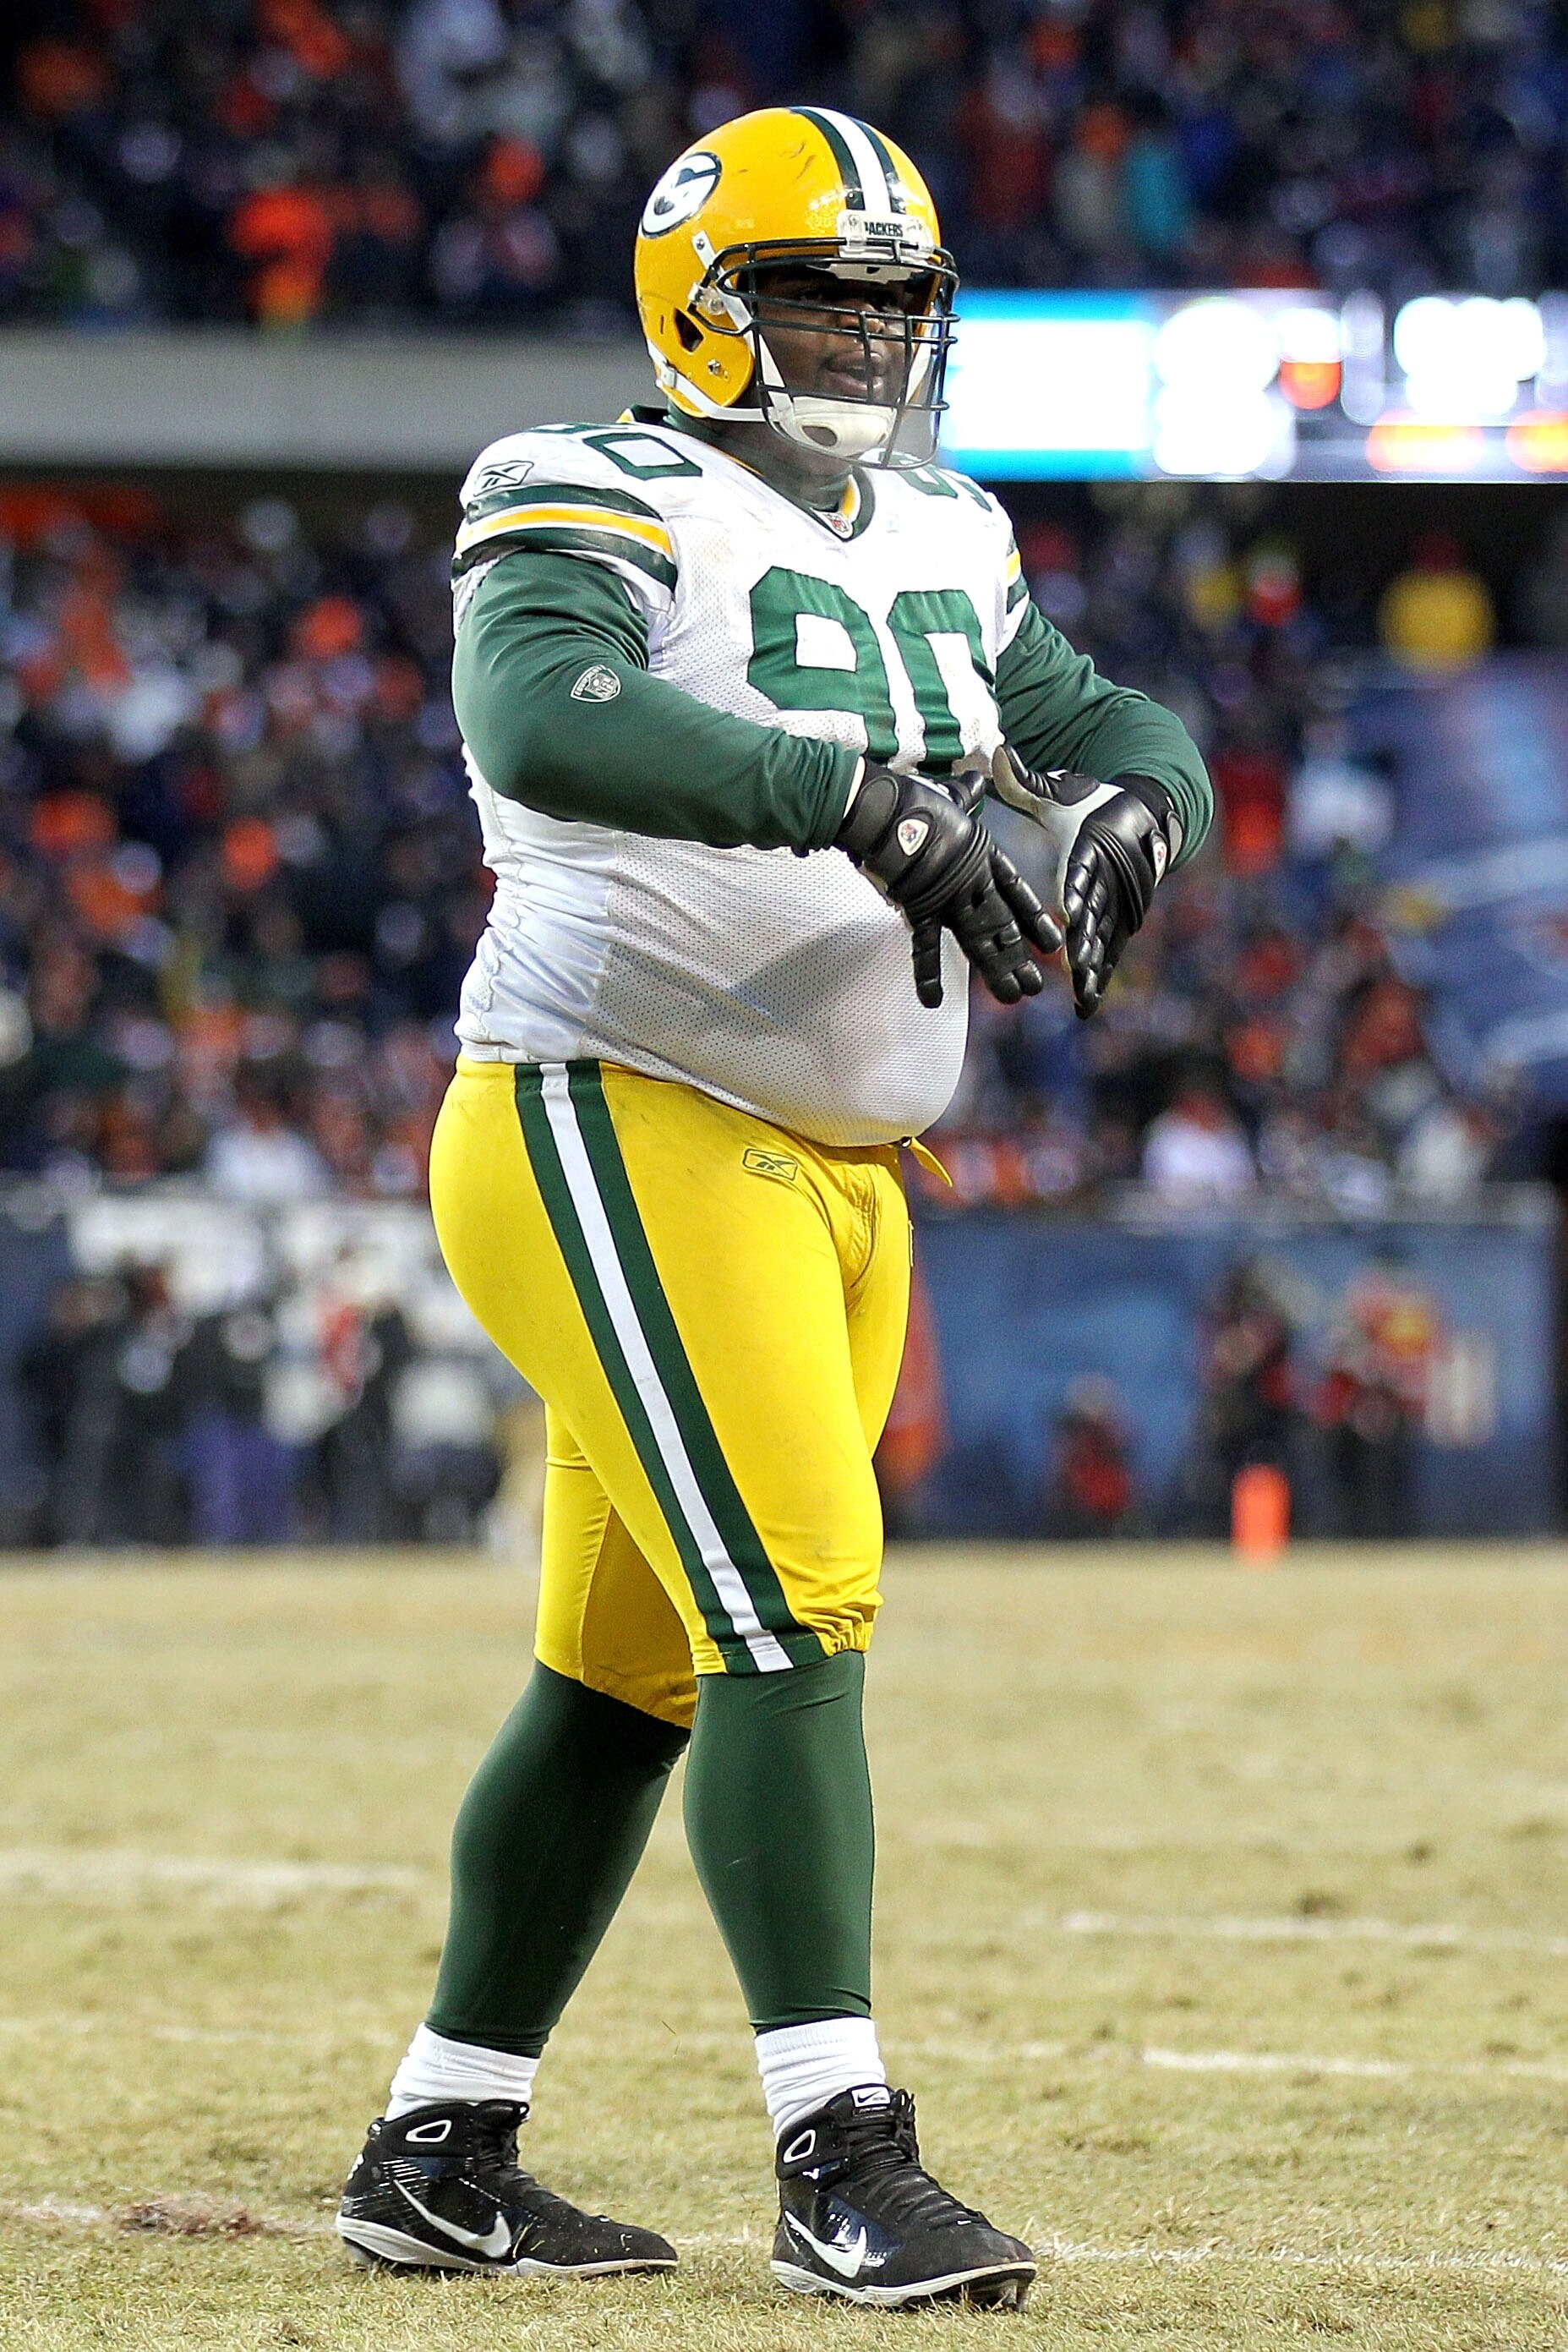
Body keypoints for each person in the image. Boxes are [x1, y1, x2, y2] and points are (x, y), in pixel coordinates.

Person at [335, 105, 1210, 2311]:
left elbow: (1102, 713)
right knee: (799, 1614)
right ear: (700, 307)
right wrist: (853, 796)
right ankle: (844, 2156)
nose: (865, 342)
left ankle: (440, 2142)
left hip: (839, 1166)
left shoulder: (946, 528)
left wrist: (1141, 807)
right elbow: (542, 714)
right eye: (819, 298)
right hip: (618, 1109)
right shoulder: (589, 481)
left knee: (624, 1675)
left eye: (895, 304)